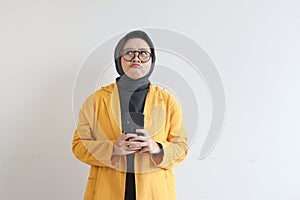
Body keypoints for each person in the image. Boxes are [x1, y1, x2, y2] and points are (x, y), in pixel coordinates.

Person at [72, 30, 188, 200]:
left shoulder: (167, 101)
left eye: (143, 53)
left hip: (154, 191)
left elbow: (181, 147)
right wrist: (112, 148)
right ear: (119, 59)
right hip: (107, 189)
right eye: (129, 53)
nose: (136, 58)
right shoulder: (96, 100)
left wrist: (156, 148)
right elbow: (78, 145)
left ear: (152, 59)